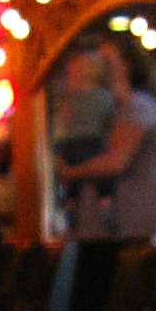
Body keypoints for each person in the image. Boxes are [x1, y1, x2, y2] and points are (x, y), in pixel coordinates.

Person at [57, 40, 156, 240]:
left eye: (107, 61)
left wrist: (70, 171)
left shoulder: (139, 105)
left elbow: (116, 161)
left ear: (125, 65)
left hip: (135, 209)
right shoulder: (110, 106)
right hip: (110, 213)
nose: (101, 66)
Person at [52, 47, 117, 207]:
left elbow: (109, 119)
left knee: (97, 169)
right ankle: (74, 200)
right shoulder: (68, 97)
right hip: (71, 141)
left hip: (90, 139)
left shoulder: (102, 96)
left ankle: (103, 198)